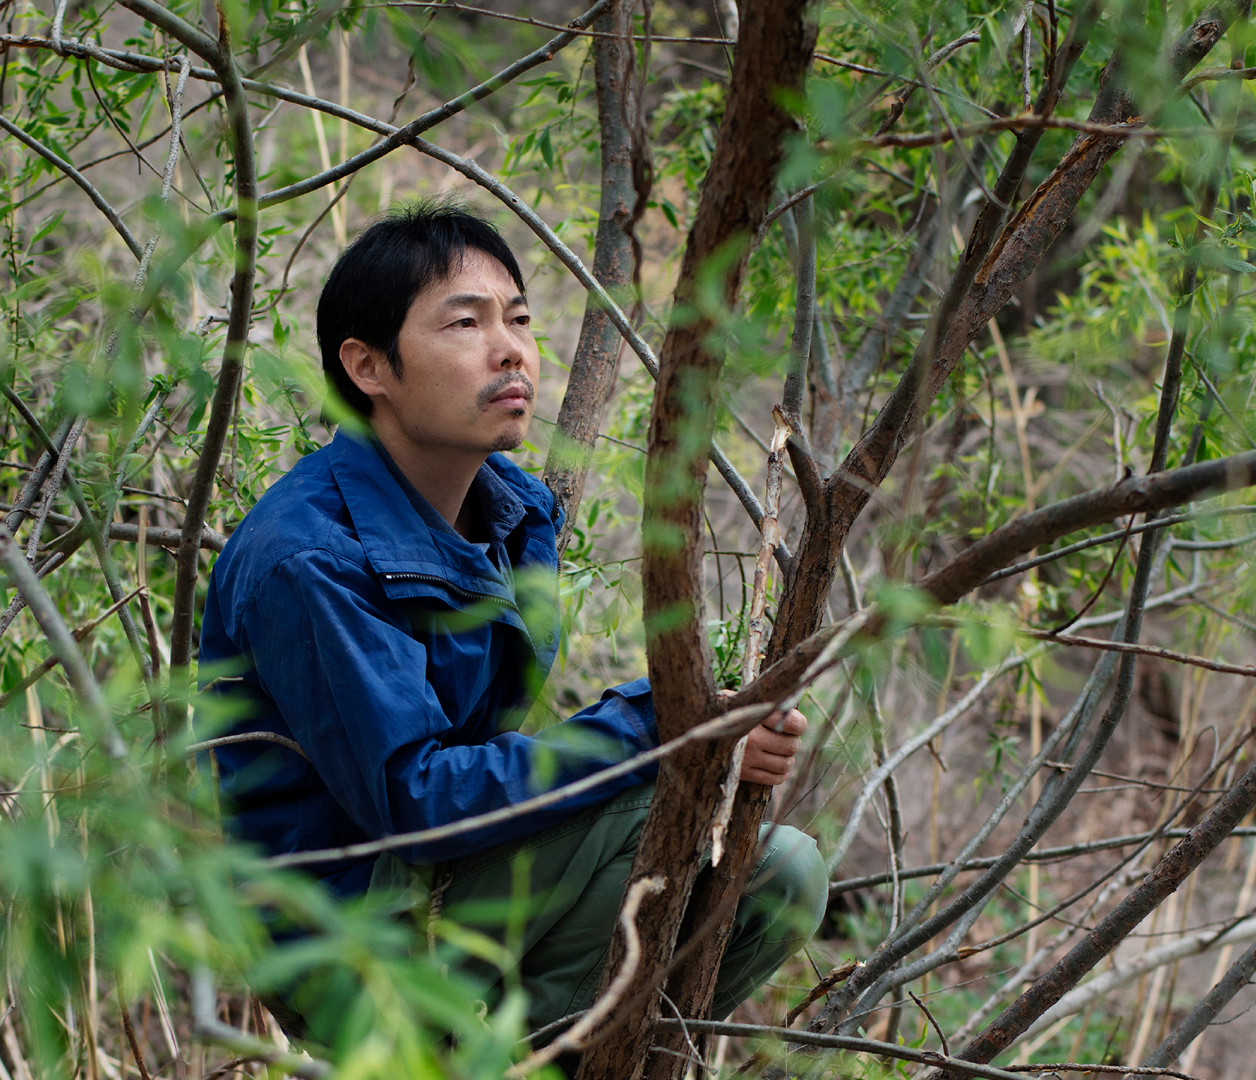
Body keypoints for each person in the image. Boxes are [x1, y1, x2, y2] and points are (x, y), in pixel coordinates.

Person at [197, 202, 828, 1039]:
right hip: (355, 943)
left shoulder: (510, 512)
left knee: (780, 877)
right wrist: (675, 727)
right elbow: (417, 800)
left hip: (458, 881)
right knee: (678, 791)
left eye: (519, 320)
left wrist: (714, 740)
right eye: (466, 323)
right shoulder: (307, 558)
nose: (512, 350)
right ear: (367, 366)